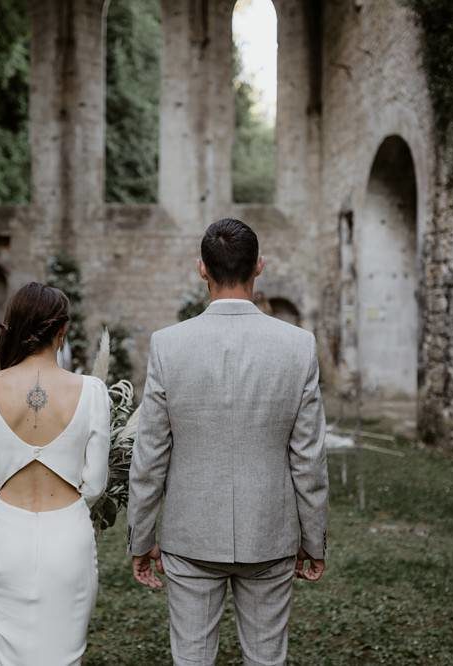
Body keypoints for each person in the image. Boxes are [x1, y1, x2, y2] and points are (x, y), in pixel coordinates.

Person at [127, 218, 329, 666]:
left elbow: (150, 456)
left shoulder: (168, 345)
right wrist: (313, 540)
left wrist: (141, 540)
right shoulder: (298, 346)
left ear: (202, 269)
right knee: (266, 659)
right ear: (260, 267)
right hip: (270, 534)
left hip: (190, 535)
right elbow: (309, 459)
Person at [0, 282, 111, 665]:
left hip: (6, 535)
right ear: (62, 331)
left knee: (6, 655)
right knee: (64, 656)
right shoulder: (92, 391)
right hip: (69, 538)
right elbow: (95, 482)